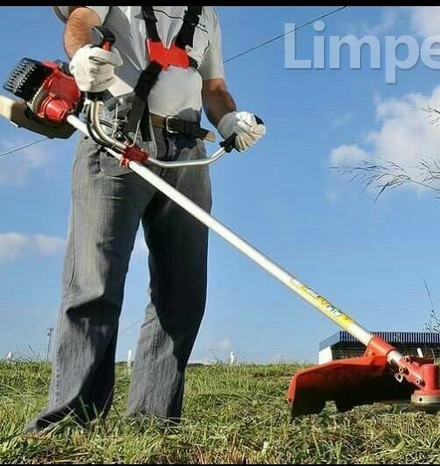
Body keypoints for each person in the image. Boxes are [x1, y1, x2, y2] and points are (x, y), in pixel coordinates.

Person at [25, 6, 265, 432]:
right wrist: (81, 55)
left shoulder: (207, 14)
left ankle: (153, 421)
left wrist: (229, 116)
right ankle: (72, 420)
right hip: (117, 138)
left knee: (183, 291)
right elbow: (79, 20)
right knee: (93, 283)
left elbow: (214, 85)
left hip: (188, 153)